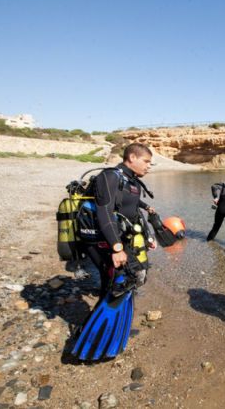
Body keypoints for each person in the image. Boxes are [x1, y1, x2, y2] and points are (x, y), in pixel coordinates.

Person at [72, 142, 157, 360]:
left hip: (117, 239)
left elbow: (132, 207)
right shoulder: (110, 177)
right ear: (132, 157)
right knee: (113, 284)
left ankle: (113, 331)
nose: (149, 166)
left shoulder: (131, 182)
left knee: (125, 282)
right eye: (146, 161)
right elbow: (105, 212)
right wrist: (117, 247)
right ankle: (91, 338)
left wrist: (147, 234)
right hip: (101, 241)